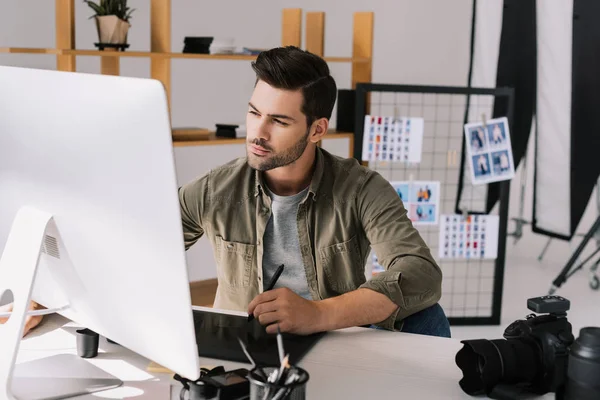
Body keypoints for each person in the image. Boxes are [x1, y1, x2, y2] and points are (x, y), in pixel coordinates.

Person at [2, 46, 449, 338]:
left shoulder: (361, 188)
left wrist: (319, 314)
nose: (258, 131)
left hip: (331, 341)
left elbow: (421, 274)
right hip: (241, 348)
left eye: (279, 120)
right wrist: (47, 292)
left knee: (429, 319)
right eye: (254, 112)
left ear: (317, 130)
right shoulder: (217, 189)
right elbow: (132, 244)